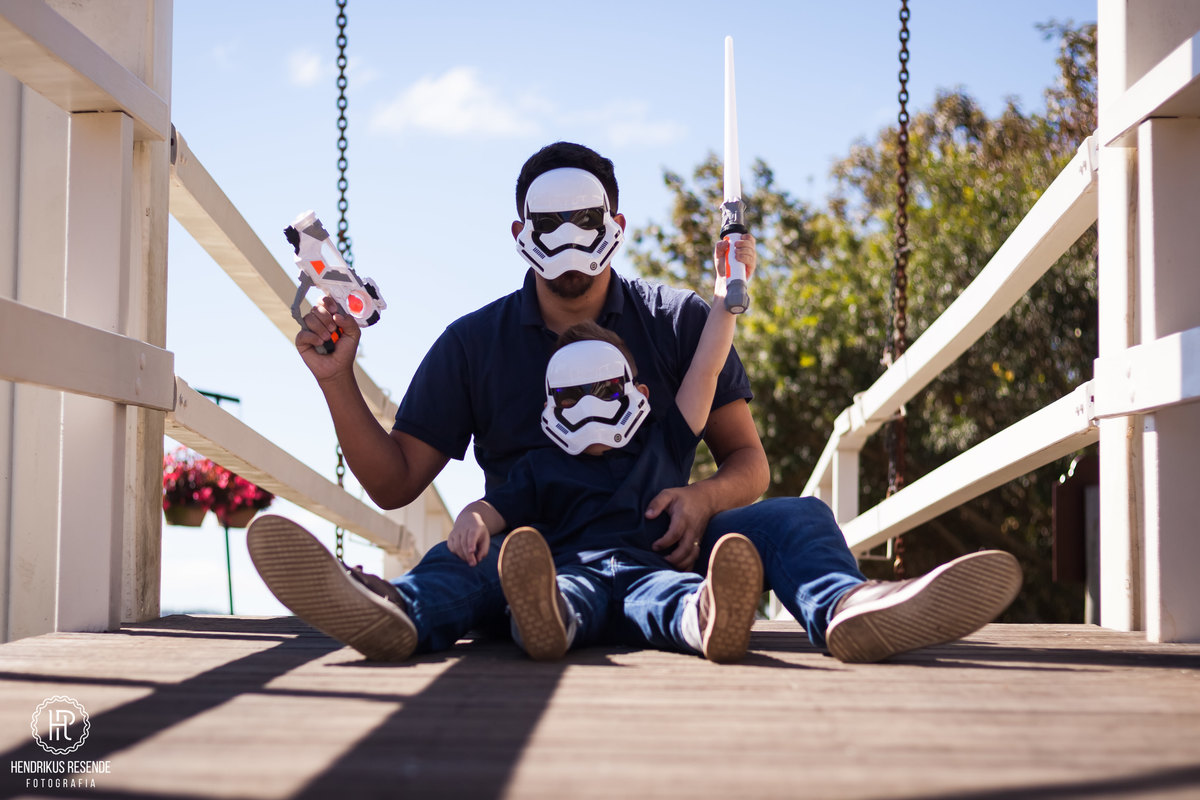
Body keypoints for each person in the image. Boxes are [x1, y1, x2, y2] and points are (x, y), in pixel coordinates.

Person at [248, 141, 1022, 665]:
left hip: (664, 543)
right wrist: (337, 380)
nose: (568, 239)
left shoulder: (675, 324)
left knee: (798, 517)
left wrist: (702, 496)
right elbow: (394, 483)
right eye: (550, 224)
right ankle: (398, 612)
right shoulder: (475, 344)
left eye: (585, 220)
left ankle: (848, 607)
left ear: (614, 226)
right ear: (521, 231)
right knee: (472, 560)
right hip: (537, 553)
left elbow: (747, 460)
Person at [452, 238, 761, 662]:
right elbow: (498, 507)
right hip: (573, 572)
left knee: (679, 599)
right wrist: (472, 518)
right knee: (563, 596)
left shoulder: (664, 441)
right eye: (572, 396)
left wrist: (725, 299)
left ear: (639, 393)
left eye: (606, 390)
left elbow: (706, 369)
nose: (590, 406)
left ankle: (709, 616)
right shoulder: (541, 466)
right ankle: (544, 617)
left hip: (651, 573)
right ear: (552, 406)